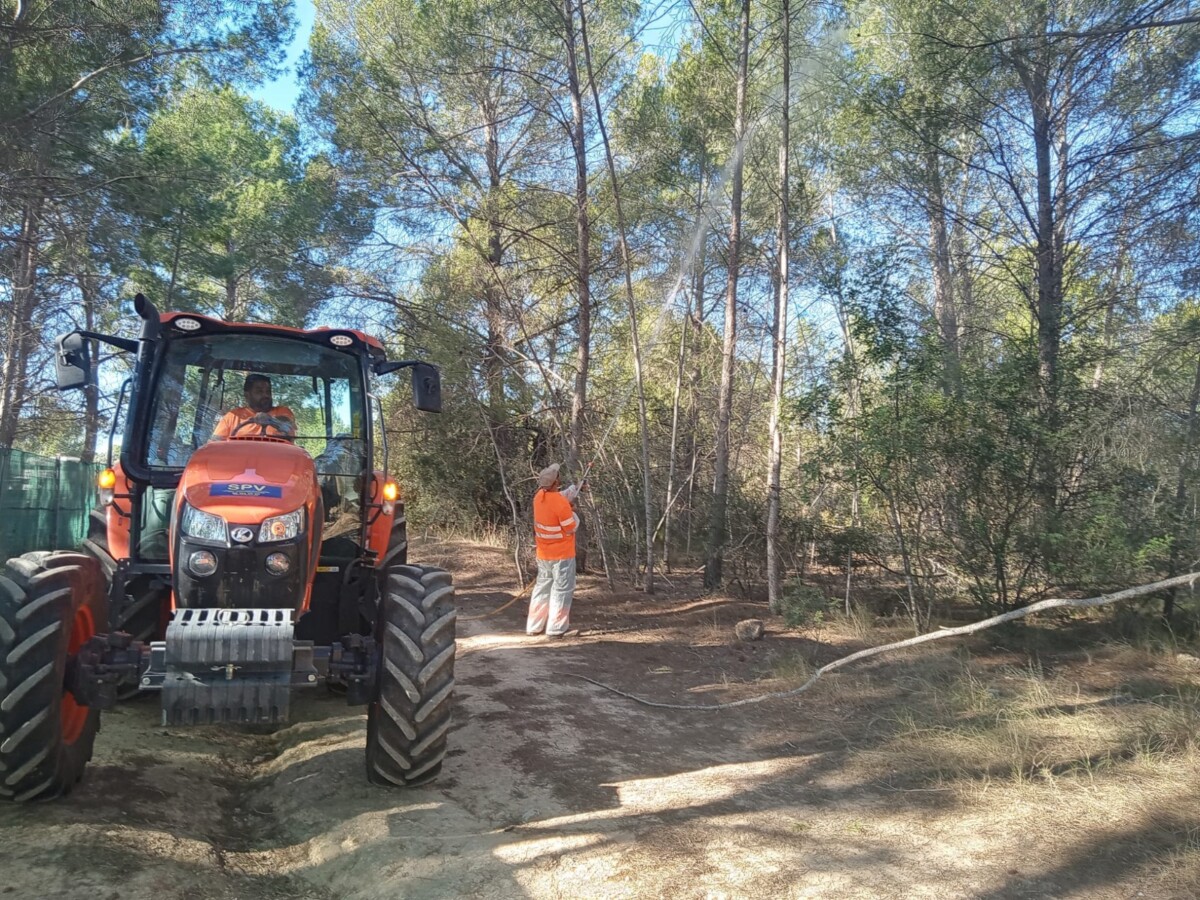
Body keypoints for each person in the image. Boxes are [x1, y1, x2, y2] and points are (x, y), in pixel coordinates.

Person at [527, 463, 584, 637]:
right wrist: (572, 511)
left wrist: (575, 489)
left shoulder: (538, 497)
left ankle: (534, 626)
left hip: (543, 554)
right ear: (556, 481)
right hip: (562, 555)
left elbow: (558, 498)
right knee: (562, 590)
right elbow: (571, 527)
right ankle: (556, 629)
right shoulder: (560, 503)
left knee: (542, 589)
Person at [212, 373, 297, 439]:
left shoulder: (282, 412)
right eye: (259, 391)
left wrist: (271, 420)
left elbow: (287, 425)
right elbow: (215, 445)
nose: (265, 395)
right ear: (247, 395)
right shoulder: (232, 417)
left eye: (268, 391)